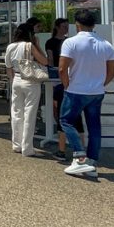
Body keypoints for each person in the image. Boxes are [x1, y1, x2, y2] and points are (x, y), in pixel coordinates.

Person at [60, 10, 114, 178]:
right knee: (94, 127)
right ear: (94, 25)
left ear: (77, 25)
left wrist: (66, 85)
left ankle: (79, 156)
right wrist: (101, 84)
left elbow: (62, 68)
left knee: (66, 121)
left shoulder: (70, 43)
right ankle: (92, 163)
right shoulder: (106, 44)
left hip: (76, 90)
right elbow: (112, 71)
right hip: (97, 92)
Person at [4, 23, 48, 157]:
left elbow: (8, 67)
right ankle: (27, 148)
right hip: (30, 81)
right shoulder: (29, 46)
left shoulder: (10, 47)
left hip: (16, 80)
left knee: (16, 113)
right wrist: (38, 45)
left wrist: (13, 81)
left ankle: (16, 144)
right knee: (30, 113)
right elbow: (45, 61)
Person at [45, 18, 81, 160]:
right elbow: (50, 59)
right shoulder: (51, 42)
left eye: (67, 26)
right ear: (58, 27)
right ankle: (68, 140)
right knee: (58, 107)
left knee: (64, 110)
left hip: (67, 76)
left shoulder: (69, 41)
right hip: (57, 75)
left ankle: (67, 142)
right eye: (64, 26)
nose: (66, 28)